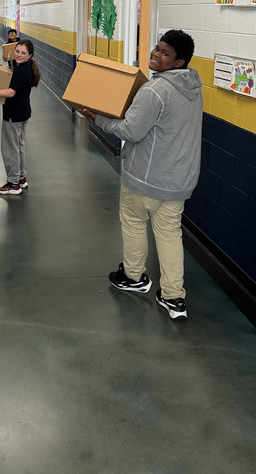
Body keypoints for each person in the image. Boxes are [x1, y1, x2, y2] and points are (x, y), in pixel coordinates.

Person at [79, 30, 203, 321]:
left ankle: (134, 277)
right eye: (157, 49)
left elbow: (131, 131)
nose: (155, 55)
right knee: (170, 236)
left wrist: (98, 118)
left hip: (147, 179)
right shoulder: (193, 88)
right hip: (178, 181)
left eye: (164, 53)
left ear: (178, 61)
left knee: (134, 224)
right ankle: (174, 297)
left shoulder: (154, 90)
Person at [0, 39, 41, 196]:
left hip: (14, 114)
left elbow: (11, 92)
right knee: (18, 146)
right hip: (22, 112)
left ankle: (13, 184)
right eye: (17, 51)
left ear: (30, 55)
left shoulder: (22, 71)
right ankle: (21, 178)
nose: (19, 55)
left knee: (10, 149)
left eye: (23, 53)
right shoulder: (24, 68)